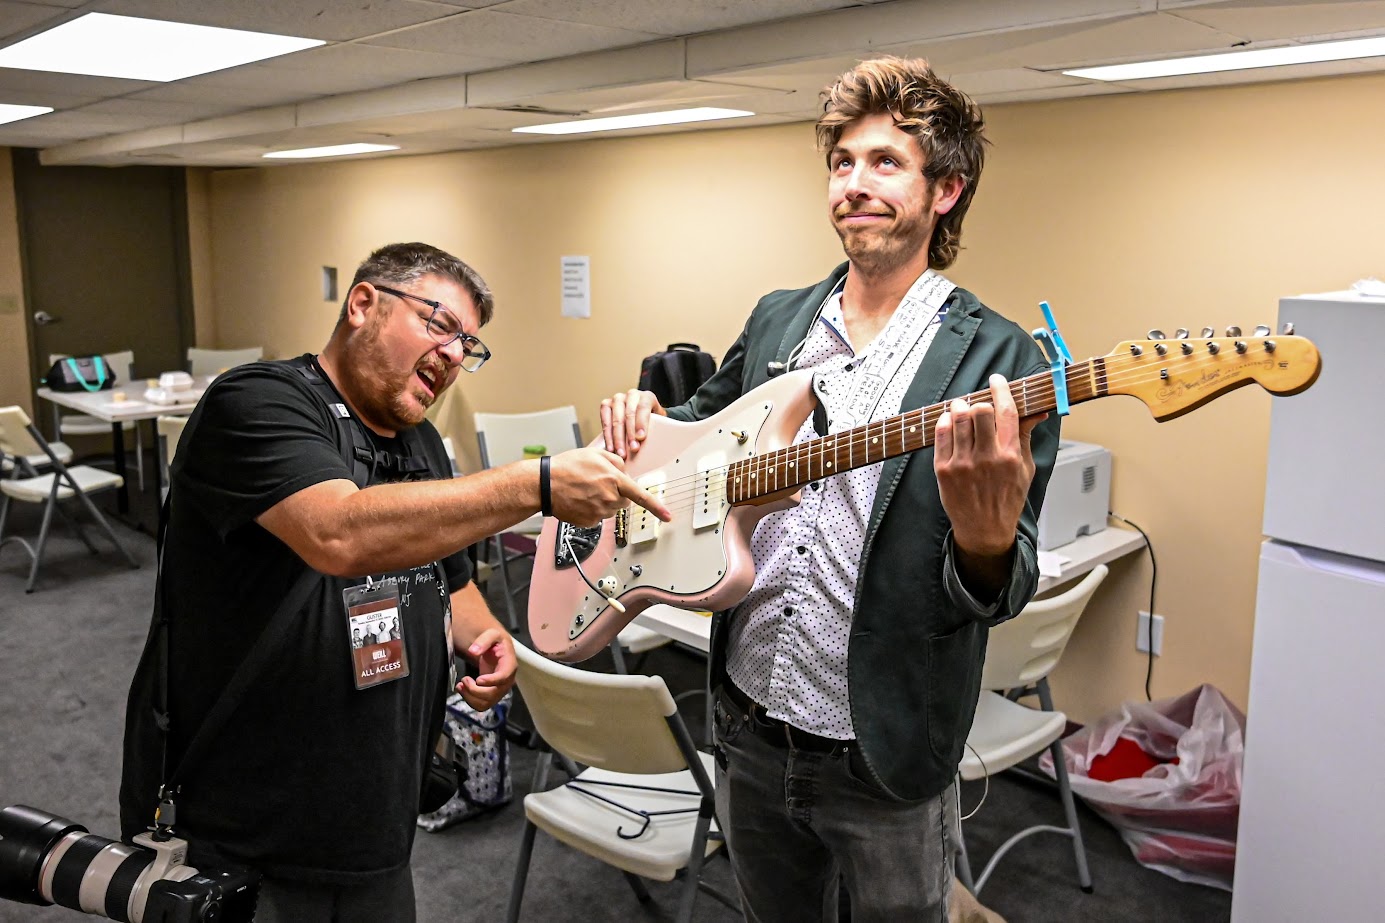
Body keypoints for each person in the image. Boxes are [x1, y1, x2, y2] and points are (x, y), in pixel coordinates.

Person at [601, 57, 1060, 922]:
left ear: (946, 191)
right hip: (747, 721)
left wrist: (987, 539)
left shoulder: (1000, 359)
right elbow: (700, 427)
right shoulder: (779, 316)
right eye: (841, 162)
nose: (854, 184)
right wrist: (644, 417)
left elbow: (1005, 587)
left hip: (881, 750)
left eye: (885, 162)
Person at [120, 241, 668, 922]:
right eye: (440, 324)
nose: (453, 354)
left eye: (468, 344)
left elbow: (449, 576)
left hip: (372, 825)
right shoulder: (257, 401)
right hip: (243, 830)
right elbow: (338, 533)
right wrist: (539, 484)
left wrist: (487, 636)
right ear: (362, 304)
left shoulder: (421, 442)